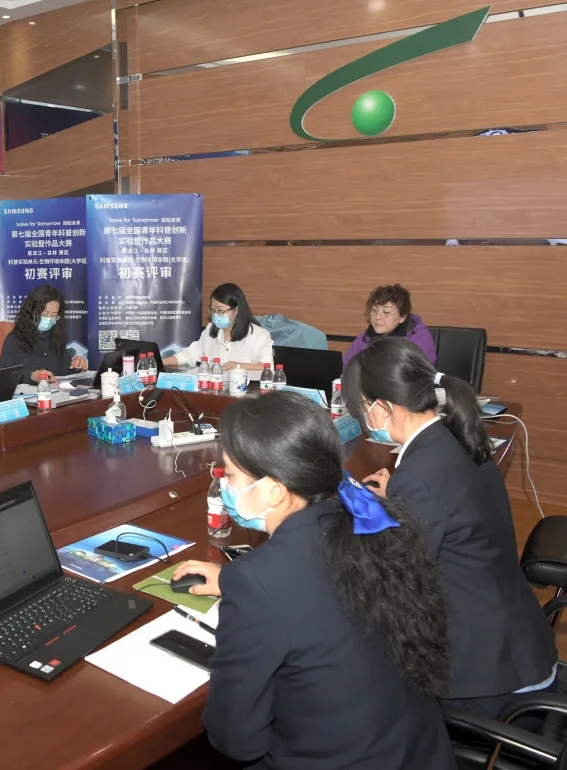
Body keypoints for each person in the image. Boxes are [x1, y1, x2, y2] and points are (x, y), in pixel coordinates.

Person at [172, 392, 454, 769]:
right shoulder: (366, 521)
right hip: (419, 752)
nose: (223, 483)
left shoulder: (260, 583)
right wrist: (235, 579)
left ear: (274, 489)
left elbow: (236, 739)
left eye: (230, 475)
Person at [343, 337, 558, 717]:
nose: (362, 418)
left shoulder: (421, 476)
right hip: (520, 644)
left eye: (361, 408)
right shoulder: (456, 437)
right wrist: (392, 496)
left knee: (356, 682)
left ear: (383, 406)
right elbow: (442, 509)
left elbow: (389, 581)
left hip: (491, 681)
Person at [161, 283, 272, 376]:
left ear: (236, 310)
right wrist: (158, 362)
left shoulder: (259, 335)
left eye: (220, 310)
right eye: (213, 310)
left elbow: (268, 368)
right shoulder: (210, 331)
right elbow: (188, 356)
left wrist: (239, 365)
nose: (216, 315)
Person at [0, 285, 88, 384]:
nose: (49, 319)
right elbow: (2, 376)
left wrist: (76, 366)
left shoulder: (56, 339)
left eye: (54, 315)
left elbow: (63, 372)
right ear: (31, 312)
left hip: (56, 392)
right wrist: (31, 376)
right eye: (44, 314)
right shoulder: (15, 339)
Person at [343, 284, 436, 366]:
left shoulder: (419, 338)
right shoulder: (364, 338)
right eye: (374, 310)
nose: (378, 317)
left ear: (402, 317)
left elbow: (423, 375)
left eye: (386, 312)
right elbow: (347, 370)